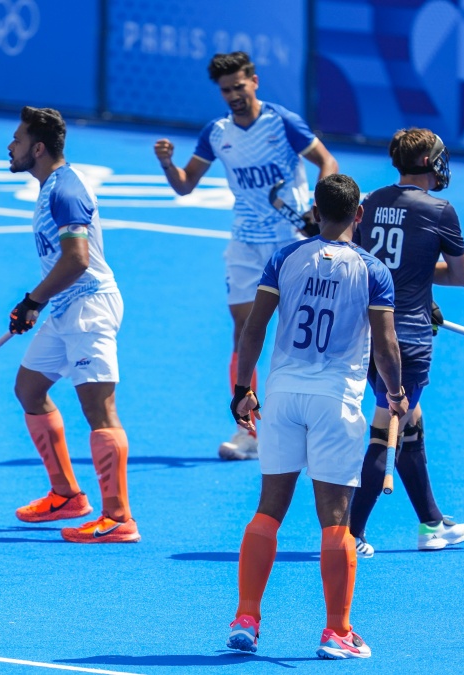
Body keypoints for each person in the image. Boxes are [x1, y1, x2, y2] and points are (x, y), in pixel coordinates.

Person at [227, 174, 406, 659]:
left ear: (316, 211)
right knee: (335, 520)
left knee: (268, 510)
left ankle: (246, 618)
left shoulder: (285, 257)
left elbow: (254, 329)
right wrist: (395, 393)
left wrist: (244, 390)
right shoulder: (372, 270)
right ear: (359, 215)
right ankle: (337, 632)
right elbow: (386, 346)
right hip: (337, 402)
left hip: (283, 395)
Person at [154, 51, 339, 461]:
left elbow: (326, 160)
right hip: (244, 244)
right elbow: (185, 186)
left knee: (298, 334)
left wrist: (318, 210)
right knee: (243, 332)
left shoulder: (283, 122)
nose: (234, 95)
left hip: (289, 241)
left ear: (254, 81)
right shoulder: (216, 133)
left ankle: (302, 425)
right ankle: (250, 430)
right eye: (226, 90)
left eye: (240, 86)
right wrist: (168, 164)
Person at [6, 106, 138, 544]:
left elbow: (78, 261)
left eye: (18, 140)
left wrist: (32, 301)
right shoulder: (49, 188)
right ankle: (66, 495)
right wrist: (40, 304)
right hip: (65, 309)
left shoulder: (65, 191)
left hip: (89, 309)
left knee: (99, 410)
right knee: (29, 389)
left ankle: (119, 519)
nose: (11, 147)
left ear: (38, 148)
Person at [348, 128, 464, 557]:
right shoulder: (441, 210)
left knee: (410, 421)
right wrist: (422, 282)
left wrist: (413, 282)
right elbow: (459, 276)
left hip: (364, 333)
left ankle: (430, 522)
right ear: (428, 164)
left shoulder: (371, 202)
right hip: (408, 340)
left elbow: (364, 264)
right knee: (387, 432)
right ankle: (351, 533)